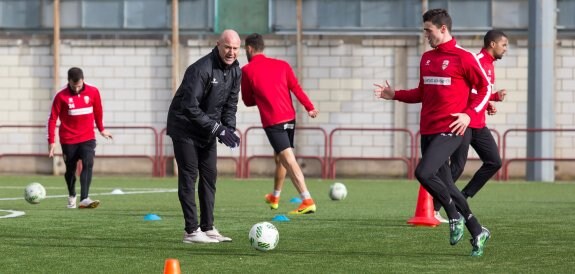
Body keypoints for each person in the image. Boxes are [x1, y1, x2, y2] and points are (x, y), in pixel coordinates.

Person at [373, 9, 492, 256]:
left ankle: (452, 215)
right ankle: (477, 230)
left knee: (423, 172)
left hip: (450, 130)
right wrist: (394, 95)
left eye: (428, 30)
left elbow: (485, 88)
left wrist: (469, 114)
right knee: (447, 184)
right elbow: (421, 93)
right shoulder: (427, 58)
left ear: (443, 29)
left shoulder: (464, 58)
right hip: (427, 129)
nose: (425, 34)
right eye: (424, 29)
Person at [166, 29, 241, 244]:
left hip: (207, 129)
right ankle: (191, 231)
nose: (231, 52)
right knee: (189, 177)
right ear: (218, 45)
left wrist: (229, 128)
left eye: (236, 48)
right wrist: (218, 129)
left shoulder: (236, 70)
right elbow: (190, 107)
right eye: (228, 47)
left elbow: (231, 104)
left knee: (210, 176)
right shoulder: (200, 69)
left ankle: (207, 228)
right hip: (184, 127)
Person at [434, 30, 508, 223]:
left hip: (479, 124)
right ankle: (434, 208)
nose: (505, 49)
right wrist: (491, 98)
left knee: (494, 162)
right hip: (465, 122)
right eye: (504, 45)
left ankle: (463, 198)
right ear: (492, 44)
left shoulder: (490, 64)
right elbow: (465, 90)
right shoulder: (475, 60)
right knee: (457, 167)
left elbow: (478, 92)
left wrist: (490, 100)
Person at [241, 33, 319, 215]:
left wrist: (261, 99)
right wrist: (310, 107)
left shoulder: (246, 71)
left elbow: (247, 100)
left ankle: (307, 200)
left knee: (288, 160)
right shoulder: (282, 65)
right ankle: (274, 197)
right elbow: (296, 88)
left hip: (273, 122)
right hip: (290, 119)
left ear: (249, 49)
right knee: (280, 159)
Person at [47, 67, 113, 209]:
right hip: (68, 139)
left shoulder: (93, 92)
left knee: (88, 163)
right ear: (68, 82)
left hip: (87, 137)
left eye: (79, 86)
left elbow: (98, 111)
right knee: (70, 170)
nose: (76, 89)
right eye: (73, 86)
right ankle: (72, 194)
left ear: (83, 80)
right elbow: (52, 119)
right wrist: (51, 142)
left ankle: (84, 198)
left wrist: (101, 129)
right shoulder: (61, 96)